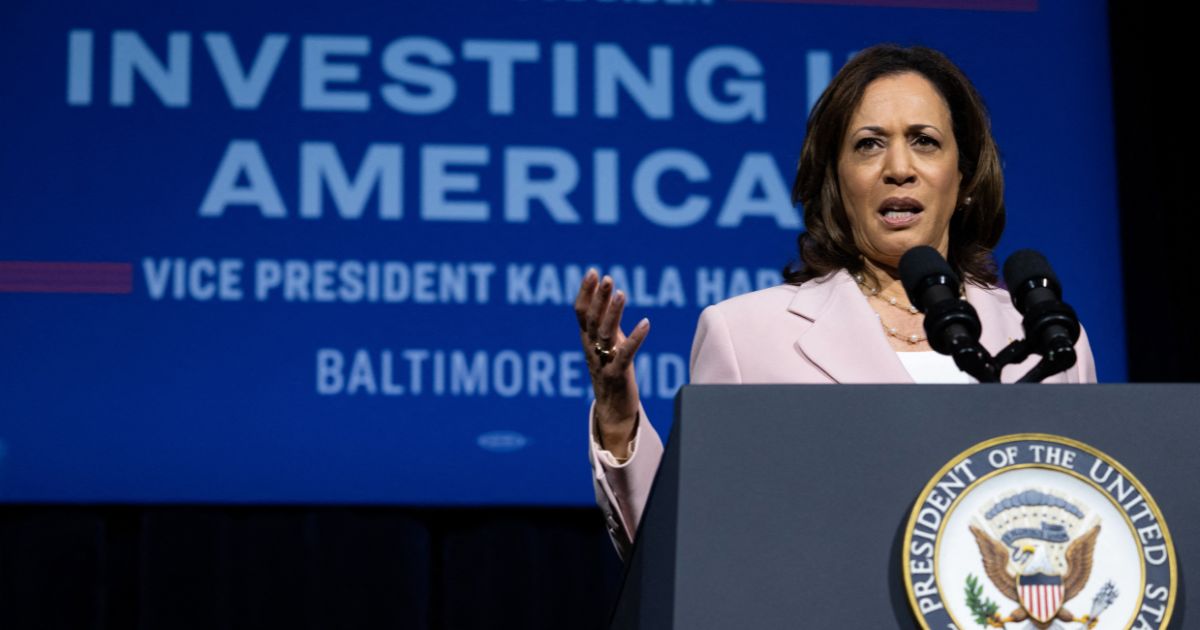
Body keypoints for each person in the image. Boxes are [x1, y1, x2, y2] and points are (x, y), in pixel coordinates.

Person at [572, 44, 1097, 560]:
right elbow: (691, 554)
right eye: (869, 144)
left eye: (925, 141)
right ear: (835, 181)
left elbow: (1095, 516)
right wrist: (619, 420)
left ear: (963, 178)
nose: (899, 167)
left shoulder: (1043, 340)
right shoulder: (747, 335)